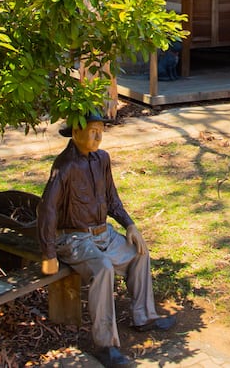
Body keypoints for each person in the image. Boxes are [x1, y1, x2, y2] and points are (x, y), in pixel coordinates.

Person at [38, 112, 175, 368]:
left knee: (139, 253)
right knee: (102, 268)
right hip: (73, 238)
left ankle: (144, 316)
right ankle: (105, 345)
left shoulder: (102, 159)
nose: (98, 136)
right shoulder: (64, 166)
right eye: (92, 130)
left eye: (101, 129)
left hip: (103, 233)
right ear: (76, 132)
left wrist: (130, 225)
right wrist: (48, 254)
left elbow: (111, 198)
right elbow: (47, 210)